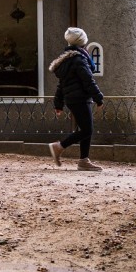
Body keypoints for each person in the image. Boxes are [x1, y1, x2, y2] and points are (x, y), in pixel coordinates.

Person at [47, 27, 105, 171]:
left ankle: (84, 161)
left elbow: (62, 84)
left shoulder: (67, 59)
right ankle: (59, 147)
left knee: (84, 128)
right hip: (80, 98)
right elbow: (88, 80)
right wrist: (99, 98)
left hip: (73, 99)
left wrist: (58, 104)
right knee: (87, 130)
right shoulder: (79, 59)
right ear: (82, 42)